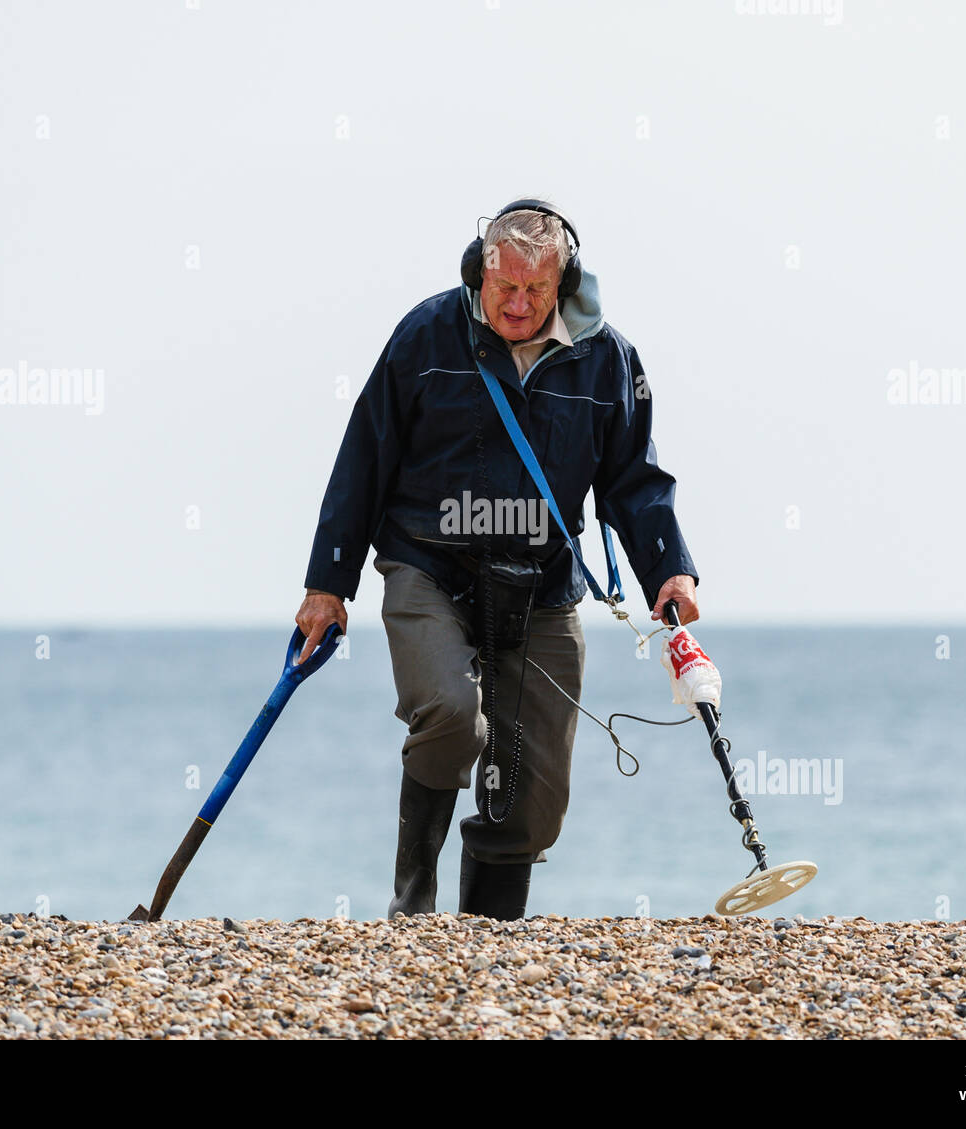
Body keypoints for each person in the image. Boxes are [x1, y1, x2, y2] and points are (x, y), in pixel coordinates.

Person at [294, 198, 699, 920]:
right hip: (430, 568)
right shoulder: (426, 335)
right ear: (481, 271)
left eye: (533, 290)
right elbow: (365, 457)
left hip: (542, 586)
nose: (515, 304)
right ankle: (414, 908)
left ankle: (486, 934)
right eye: (502, 286)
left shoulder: (606, 357)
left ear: (563, 280)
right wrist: (328, 583)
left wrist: (668, 566)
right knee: (452, 714)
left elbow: (633, 479)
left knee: (536, 796)